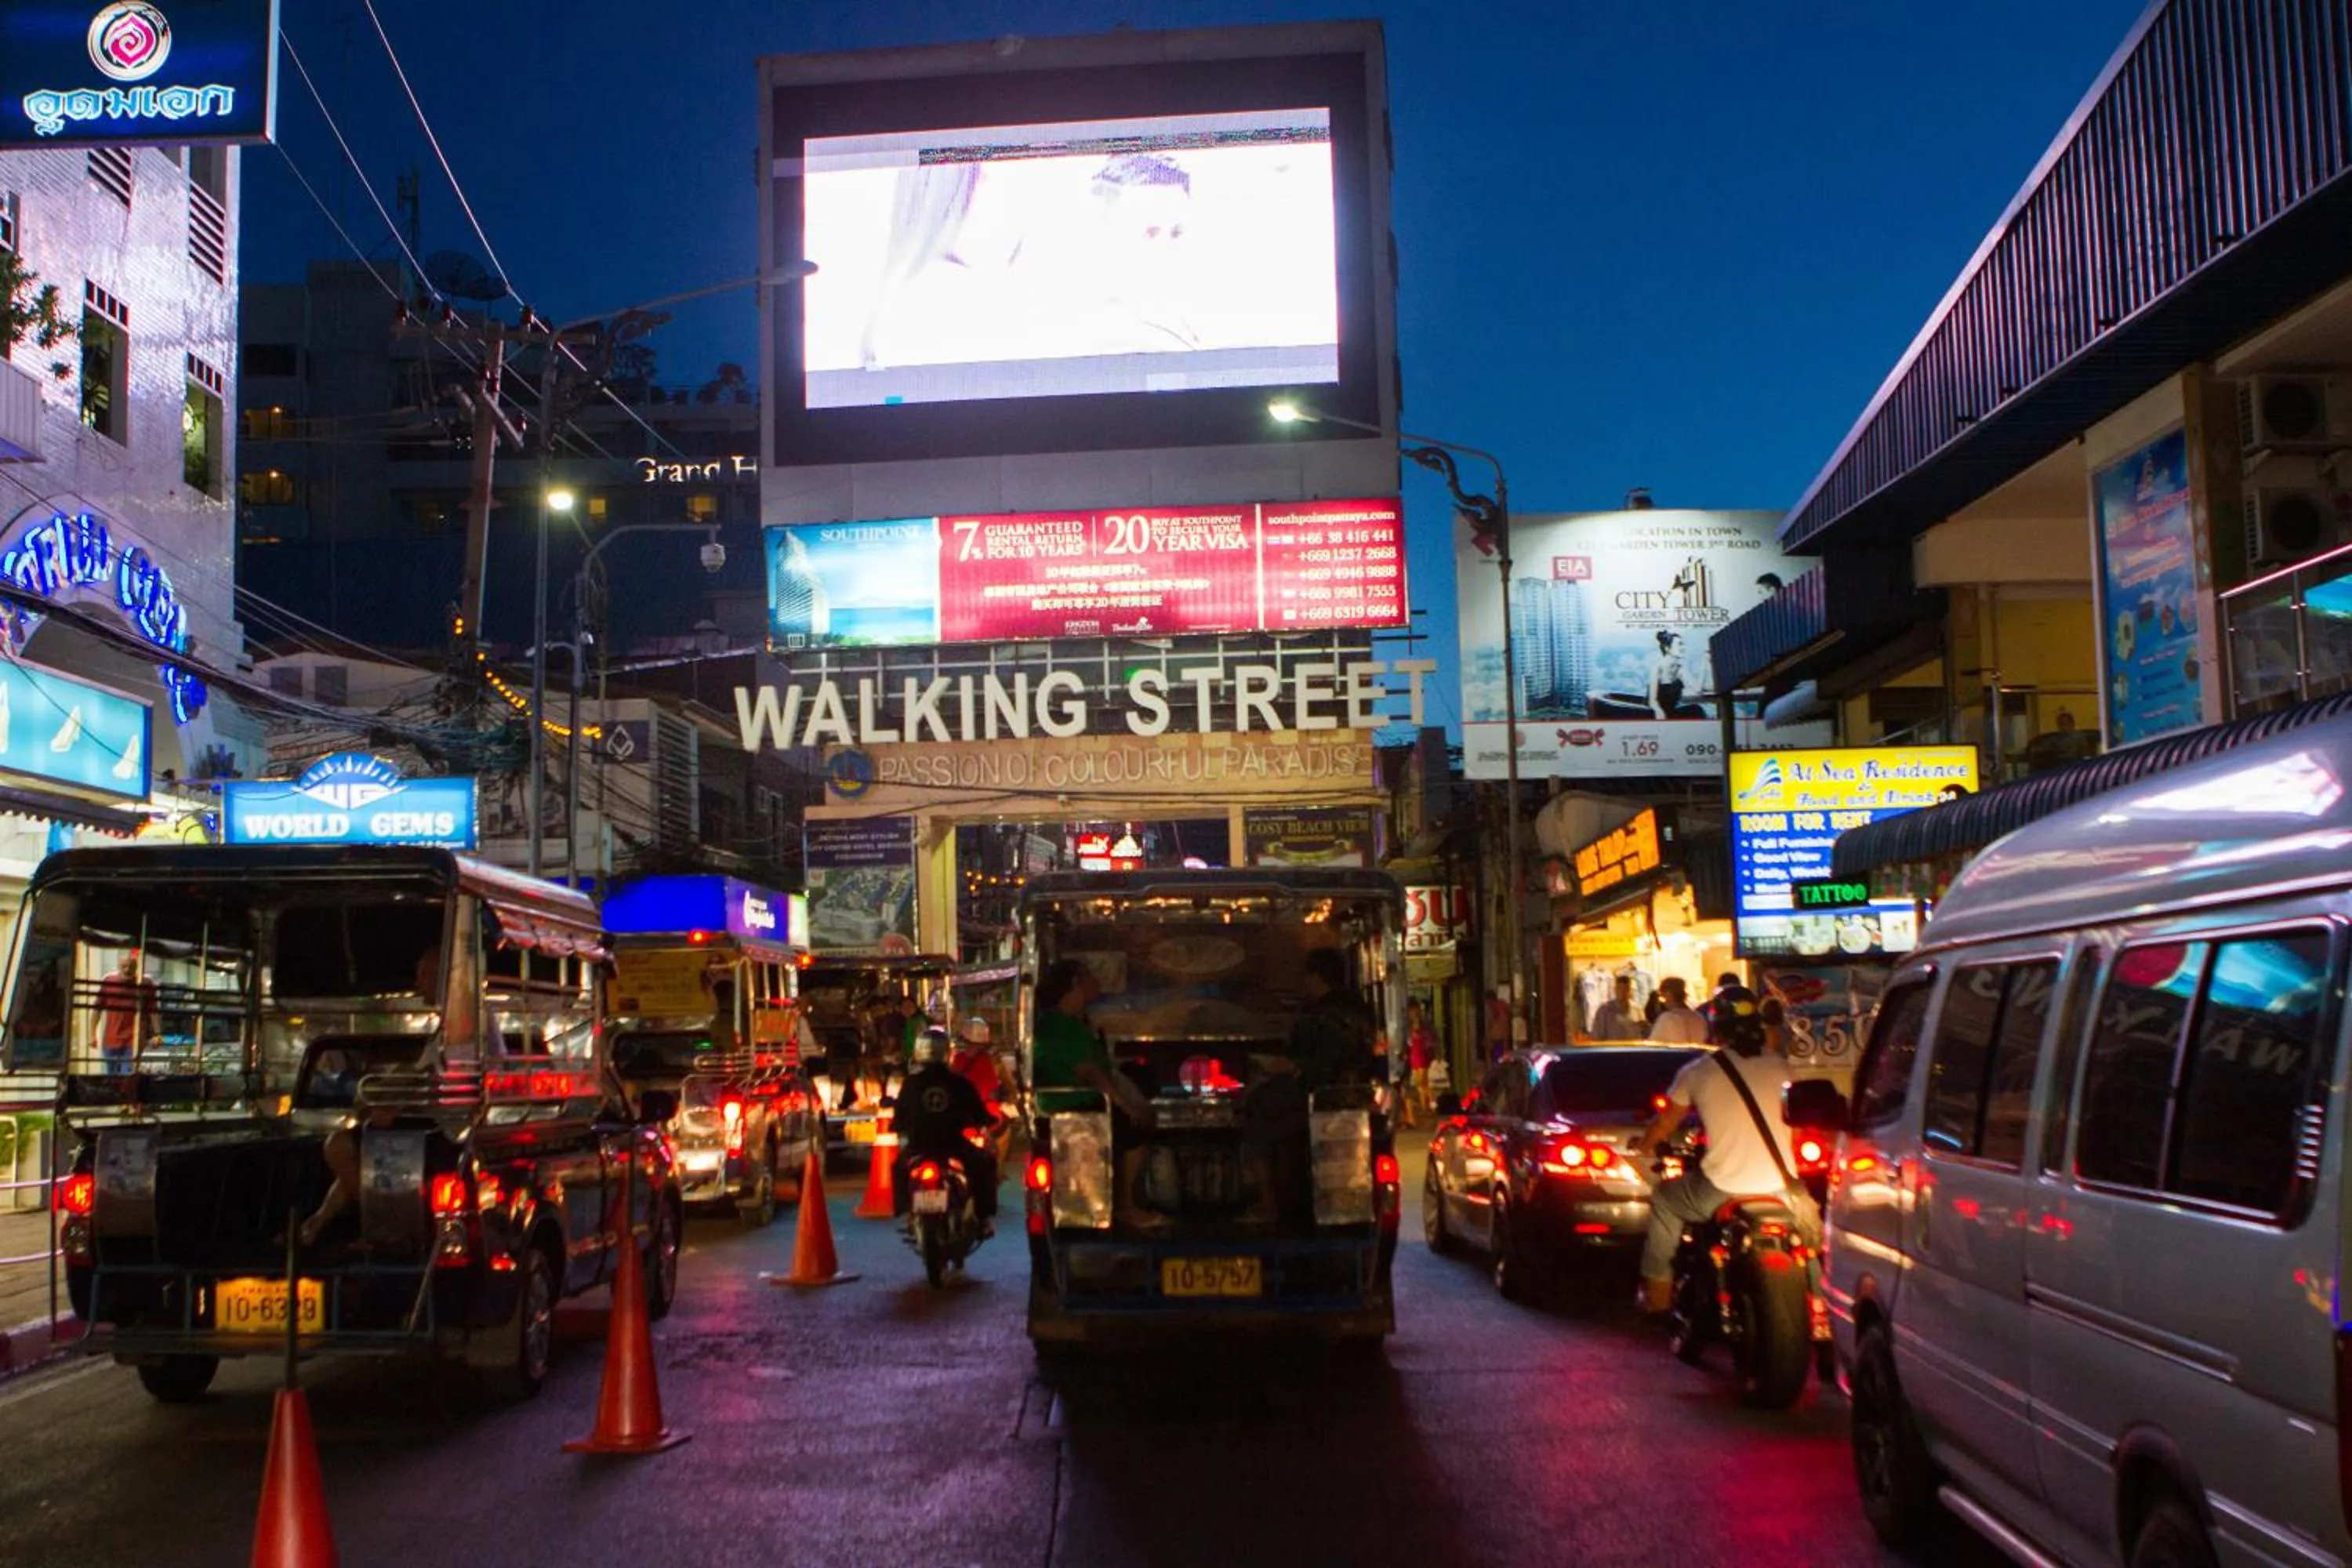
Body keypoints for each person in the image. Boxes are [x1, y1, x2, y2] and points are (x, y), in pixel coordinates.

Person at [1635, 986, 1798, 1313]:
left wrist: (1645, 1146)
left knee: (1667, 1200)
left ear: (1716, 1028)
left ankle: (1657, 1295)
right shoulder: (1783, 1068)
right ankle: (1820, 1305)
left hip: (1721, 1189)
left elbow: (1665, 1125)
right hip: (1782, 1187)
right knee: (1808, 1236)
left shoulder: (1698, 1072)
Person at [1030, 959, 1160, 1228]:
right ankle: (1127, 1205)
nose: (1096, 983)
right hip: (1078, 1105)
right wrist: (1126, 1106)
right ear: (1075, 985)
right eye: (1089, 977)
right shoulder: (1063, 1028)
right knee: (1137, 1129)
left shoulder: (1062, 1024)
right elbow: (1093, 1074)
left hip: (1069, 1103)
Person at [892, 1025, 998, 1236]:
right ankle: (983, 1217)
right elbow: (979, 1113)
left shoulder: (911, 1083)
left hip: (919, 1145)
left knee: (898, 1168)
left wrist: (898, 1126)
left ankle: (905, 1213)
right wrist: (987, 1120)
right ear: (947, 1053)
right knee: (985, 1163)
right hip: (954, 1145)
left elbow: (900, 1116)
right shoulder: (959, 1083)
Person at [949, 1014, 1009, 1163]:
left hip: (960, 1113)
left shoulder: (957, 1060)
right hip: (983, 1112)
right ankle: (997, 1170)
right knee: (1005, 1132)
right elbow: (993, 1090)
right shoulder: (987, 1061)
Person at [94, 951, 158, 1074]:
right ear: (119, 966)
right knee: (112, 1076)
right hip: (111, 1039)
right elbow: (97, 1009)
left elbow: (153, 1010)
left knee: (127, 1075)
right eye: (124, 966)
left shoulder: (145, 984)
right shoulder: (109, 981)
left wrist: (157, 1033)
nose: (128, 970)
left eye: (131, 967)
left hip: (134, 1039)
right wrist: (92, 1034)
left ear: (137, 967)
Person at [1403, 999, 1436, 1127]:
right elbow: (1410, 1041)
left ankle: (1428, 1104)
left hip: (1421, 1054)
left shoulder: (1422, 1025)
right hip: (1415, 1055)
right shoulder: (1411, 1025)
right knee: (1420, 1083)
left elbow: (1426, 1038)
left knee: (1421, 1083)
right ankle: (1426, 1105)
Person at [1647, 978, 1709, 1044]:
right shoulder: (1698, 1017)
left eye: (1662, 996)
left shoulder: (1668, 1018)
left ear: (1668, 994)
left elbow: (1653, 1045)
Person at [1588, 975, 1646, 1041]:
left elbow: (1643, 1033)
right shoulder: (1604, 1011)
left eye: (1626, 989)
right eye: (1620, 988)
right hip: (1612, 1050)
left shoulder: (1638, 1010)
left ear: (1630, 991)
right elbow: (1596, 1036)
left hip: (1633, 1049)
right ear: (1615, 990)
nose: (1622, 992)